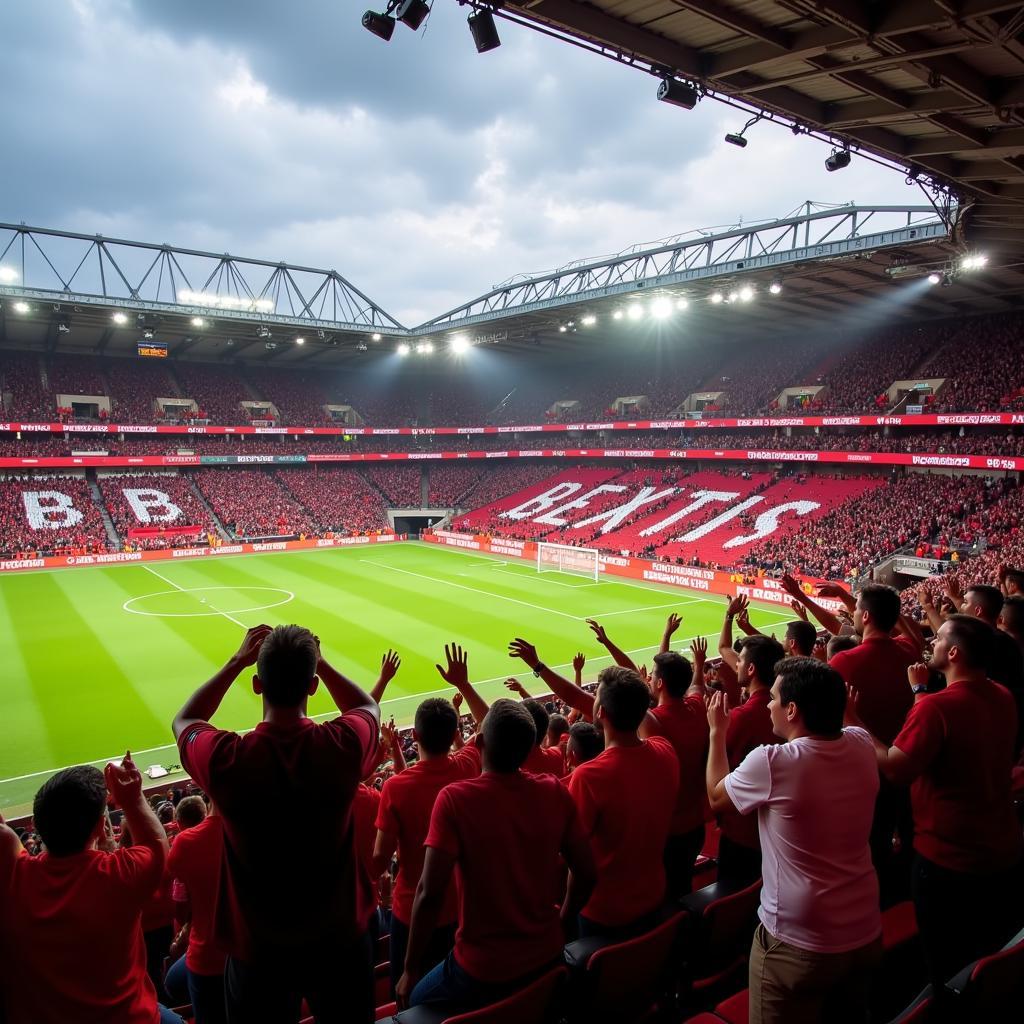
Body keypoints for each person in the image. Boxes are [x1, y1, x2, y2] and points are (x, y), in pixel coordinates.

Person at [172, 625, 382, 1024]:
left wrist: (236, 660)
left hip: (258, 952)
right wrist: (322, 663)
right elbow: (368, 708)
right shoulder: (342, 746)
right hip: (340, 942)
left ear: (256, 684)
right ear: (314, 685)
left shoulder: (226, 760)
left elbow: (186, 719)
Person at [847, 615, 1024, 995]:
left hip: (949, 859)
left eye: (940, 638)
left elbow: (895, 768)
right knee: (986, 951)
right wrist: (922, 691)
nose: (933, 642)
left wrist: (853, 718)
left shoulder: (936, 709)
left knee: (948, 966)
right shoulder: (1002, 695)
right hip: (1000, 848)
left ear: (955, 652)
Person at [707, 659, 882, 1024]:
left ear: (792, 709)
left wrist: (716, 734)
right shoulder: (863, 743)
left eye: (773, 698)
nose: (768, 704)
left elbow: (717, 798)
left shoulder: (773, 762)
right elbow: (852, 729)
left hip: (798, 941)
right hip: (865, 929)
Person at [397, 699, 596, 1014]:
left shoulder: (454, 800)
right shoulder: (554, 790)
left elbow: (429, 892)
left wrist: (409, 969)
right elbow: (586, 871)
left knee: (413, 1005)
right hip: (547, 952)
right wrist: (563, 922)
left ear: (478, 743)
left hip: (479, 967)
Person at [0, 756, 183, 1024]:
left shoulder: (11, 877)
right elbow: (156, 844)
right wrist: (132, 798)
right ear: (100, 827)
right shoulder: (121, 874)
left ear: (36, 826)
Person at [373, 648, 484, 997]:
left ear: (415, 738)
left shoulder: (395, 787)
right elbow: (489, 722)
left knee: (408, 994)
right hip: (461, 906)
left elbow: (379, 862)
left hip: (411, 914)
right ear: (454, 732)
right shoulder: (467, 765)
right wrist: (464, 685)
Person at [568, 666, 678, 938]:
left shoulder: (589, 776)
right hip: (655, 895)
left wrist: (566, 913)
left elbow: (575, 859)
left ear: (601, 712)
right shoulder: (666, 751)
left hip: (604, 912)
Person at [828, 583, 919, 898]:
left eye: (856, 610)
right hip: (903, 762)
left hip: (859, 770)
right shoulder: (910, 650)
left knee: (865, 845)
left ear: (865, 616)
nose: (852, 612)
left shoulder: (843, 662)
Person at [716, 635, 784, 887]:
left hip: (742, 832)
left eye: (741, 660)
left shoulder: (742, 718)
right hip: (776, 831)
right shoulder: (789, 710)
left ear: (752, 669)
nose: (737, 664)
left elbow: (717, 779)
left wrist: (715, 732)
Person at [164, 801, 228, 1024]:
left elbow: (180, 908)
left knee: (171, 983)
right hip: (259, 953)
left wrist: (183, 933)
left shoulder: (186, 842)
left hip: (209, 958)